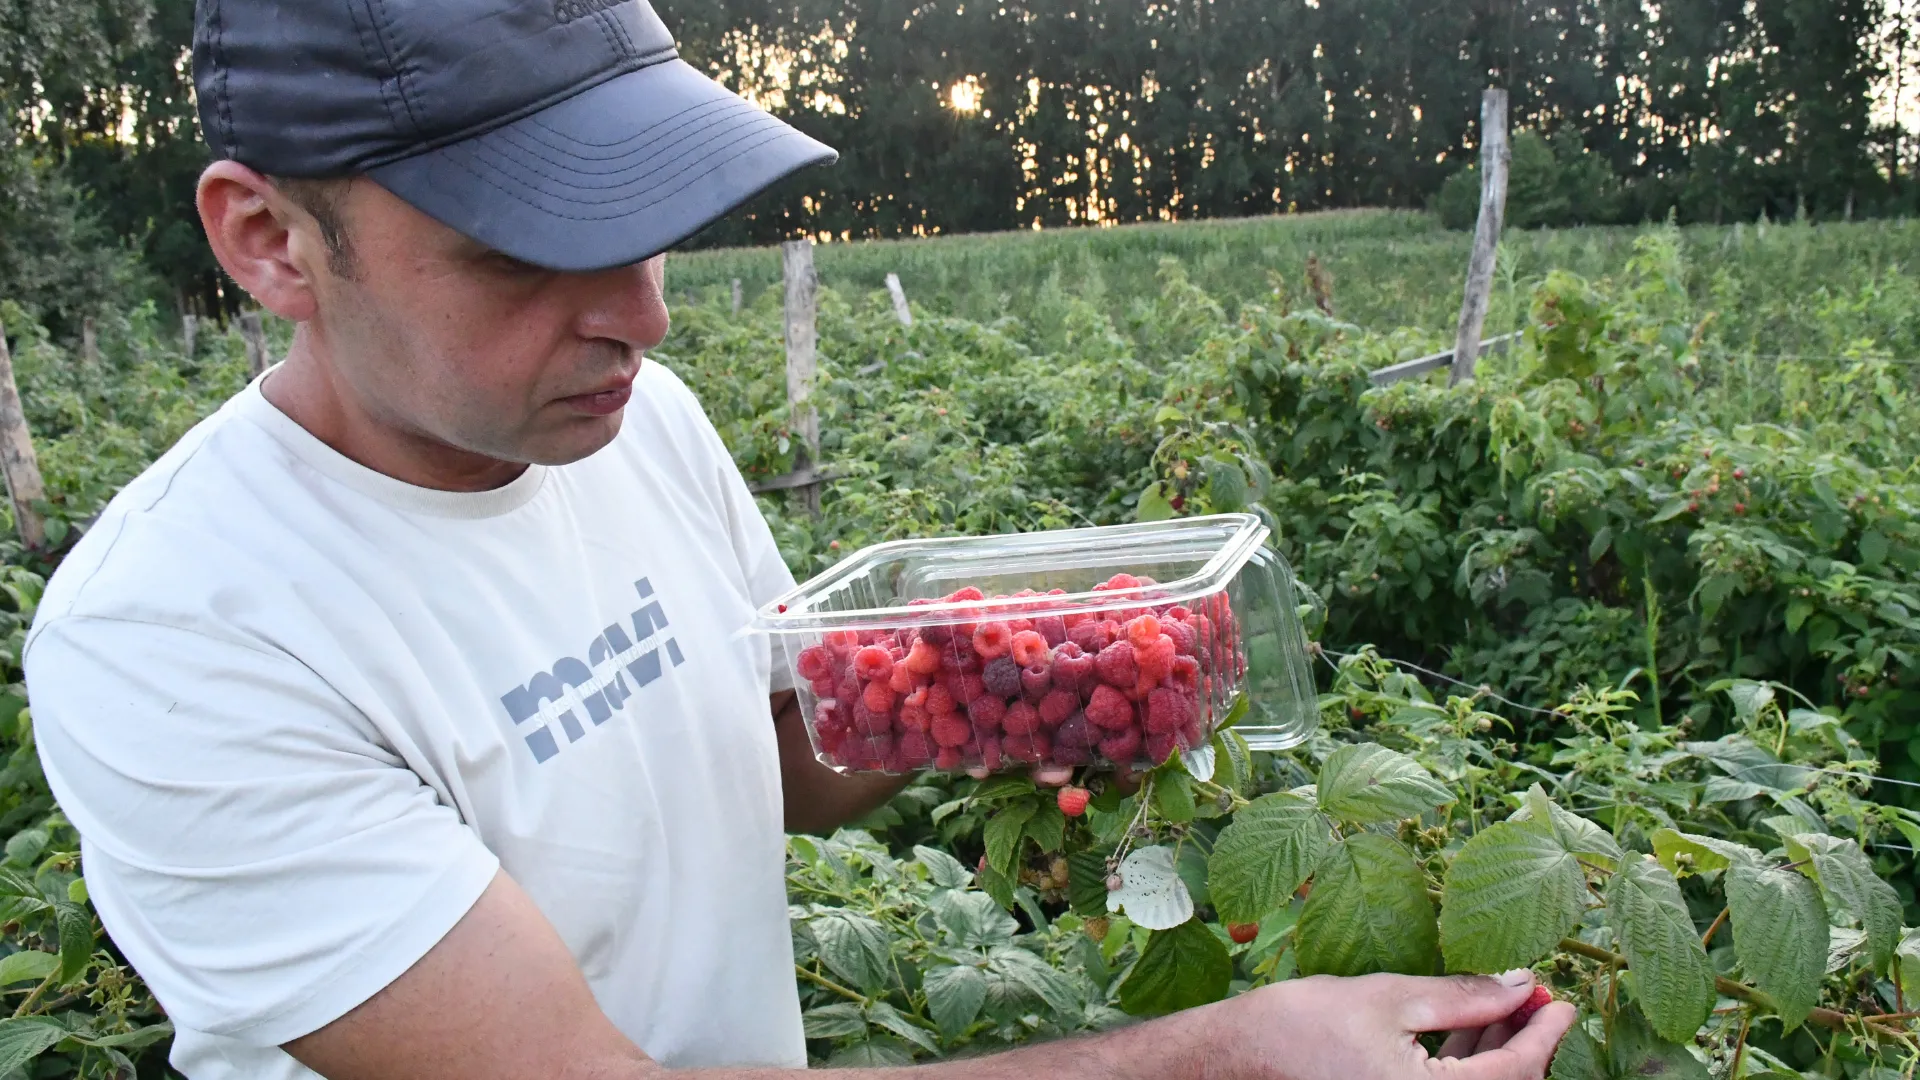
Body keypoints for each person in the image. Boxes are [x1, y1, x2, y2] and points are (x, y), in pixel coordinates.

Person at [21, 1, 1577, 1078]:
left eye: (643, 230)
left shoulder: (637, 420)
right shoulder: (180, 640)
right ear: (270, 239)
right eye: (522, 255)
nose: (642, 315)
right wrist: (1224, 1059)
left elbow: (776, 763)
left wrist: (1035, 671)